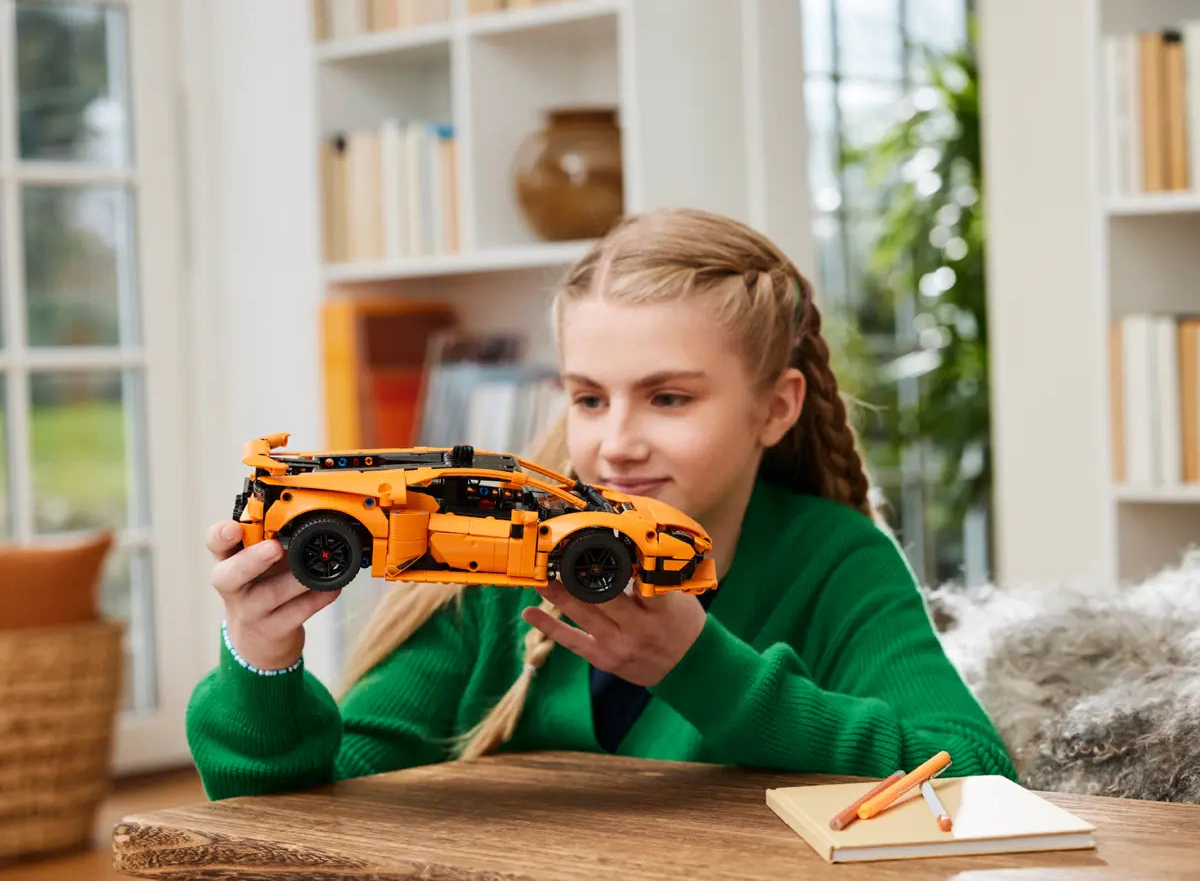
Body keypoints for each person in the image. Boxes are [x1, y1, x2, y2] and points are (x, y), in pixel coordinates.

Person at [187, 207, 1017, 800]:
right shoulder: (489, 553)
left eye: (668, 399)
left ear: (777, 407)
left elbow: (976, 775)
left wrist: (703, 669)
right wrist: (262, 657)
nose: (617, 442)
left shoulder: (834, 559)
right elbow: (317, 801)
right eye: (589, 399)